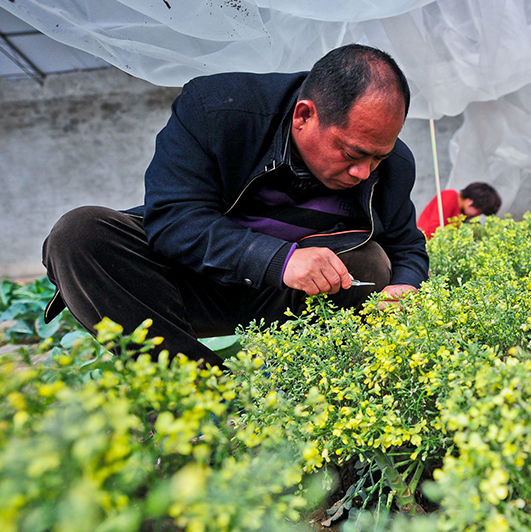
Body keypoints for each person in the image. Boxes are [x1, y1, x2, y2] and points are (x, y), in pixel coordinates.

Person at [42, 44, 429, 367]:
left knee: (370, 262)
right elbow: (174, 221)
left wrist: (405, 286)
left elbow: (406, 245)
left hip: (283, 302)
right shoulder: (217, 111)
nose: (363, 172)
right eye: (350, 153)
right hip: (187, 283)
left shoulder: (392, 167)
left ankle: (310, 382)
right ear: (304, 115)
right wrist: (280, 260)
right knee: (78, 234)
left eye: (377, 157)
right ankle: (200, 390)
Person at [416, 182, 501, 239]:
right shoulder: (450, 196)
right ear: (469, 201)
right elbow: (433, 229)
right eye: (479, 212)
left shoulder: (462, 213)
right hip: (424, 244)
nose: (477, 216)